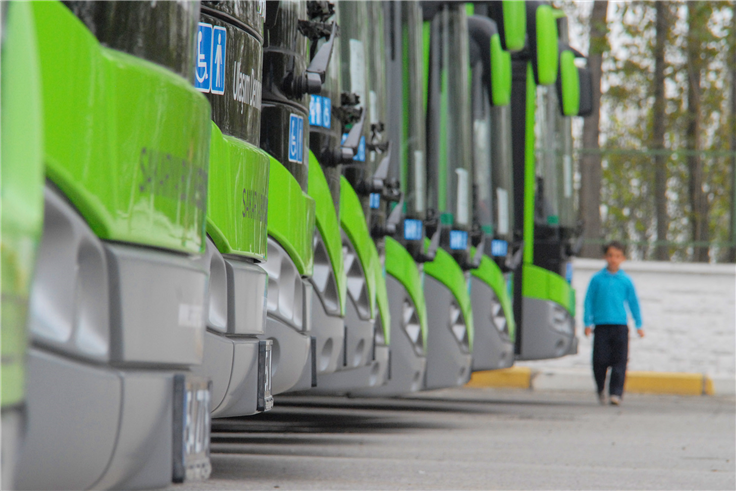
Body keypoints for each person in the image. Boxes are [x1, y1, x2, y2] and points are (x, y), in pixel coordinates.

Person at [583, 241, 644, 406]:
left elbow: (633, 303)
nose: (613, 259)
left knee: (620, 361)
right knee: (599, 361)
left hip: (620, 326)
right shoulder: (597, 279)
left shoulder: (625, 280)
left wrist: (639, 324)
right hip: (601, 325)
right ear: (605, 257)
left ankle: (616, 393)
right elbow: (589, 301)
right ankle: (600, 387)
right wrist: (587, 322)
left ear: (622, 258)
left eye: (617, 256)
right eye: (610, 255)